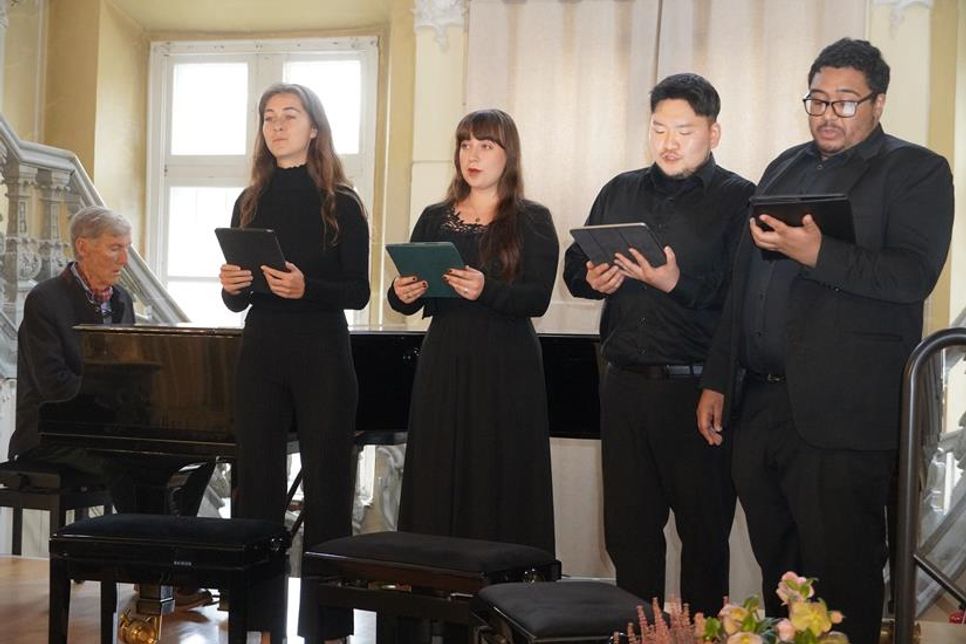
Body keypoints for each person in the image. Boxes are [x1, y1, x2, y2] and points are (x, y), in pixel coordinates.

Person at [696, 39, 954, 644]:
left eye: (844, 102)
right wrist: (716, 377)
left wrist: (820, 254)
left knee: (844, 578)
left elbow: (911, 275)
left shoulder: (915, 170)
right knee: (782, 574)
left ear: (878, 102)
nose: (827, 114)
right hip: (761, 406)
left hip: (845, 416)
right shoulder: (784, 165)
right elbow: (745, 285)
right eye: (817, 100)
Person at [563, 74, 753, 616]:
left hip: (697, 390)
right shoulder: (620, 189)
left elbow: (744, 301)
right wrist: (590, 278)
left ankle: (700, 633)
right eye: (659, 129)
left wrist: (676, 284)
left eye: (685, 131)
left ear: (713, 133)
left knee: (704, 537)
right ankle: (636, 632)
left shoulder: (740, 198)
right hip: (622, 384)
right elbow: (575, 266)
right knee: (629, 535)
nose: (669, 142)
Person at [219, 82, 369, 643]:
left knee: (329, 491)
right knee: (255, 489)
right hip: (260, 349)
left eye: (289, 115)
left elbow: (358, 290)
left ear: (314, 127)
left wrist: (306, 287)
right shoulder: (248, 199)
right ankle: (260, 626)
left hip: (322, 352)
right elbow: (239, 297)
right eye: (268, 117)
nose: (276, 125)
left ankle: (327, 630)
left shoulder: (342, 201)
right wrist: (232, 286)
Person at [12, 204, 215, 607]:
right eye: (114, 248)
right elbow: (55, 386)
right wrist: (110, 409)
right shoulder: (45, 301)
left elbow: (128, 372)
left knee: (198, 455)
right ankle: (150, 577)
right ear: (83, 247)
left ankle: (173, 564)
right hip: (49, 432)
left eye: (127, 248)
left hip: (103, 428)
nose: (125, 259)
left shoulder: (119, 299)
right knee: (128, 463)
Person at [388, 109, 558, 554]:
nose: (473, 155)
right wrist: (402, 292)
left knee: (498, 471)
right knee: (439, 467)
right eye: (465, 144)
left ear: (509, 155)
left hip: (506, 362)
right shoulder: (434, 216)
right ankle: (434, 590)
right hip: (446, 355)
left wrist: (487, 289)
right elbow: (409, 295)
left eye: (486, 145)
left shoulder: (533, 219)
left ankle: (502, 589)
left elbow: (536, 299)